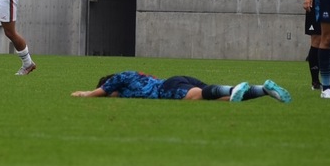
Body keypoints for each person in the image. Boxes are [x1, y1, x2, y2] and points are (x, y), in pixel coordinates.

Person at [71, 71, 292, 103]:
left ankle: (233, 88)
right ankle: (264, 89)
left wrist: (84, 94)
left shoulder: (119, 78)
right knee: (218, 97)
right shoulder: (136, 76)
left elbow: (100, 92)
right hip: (175, 79)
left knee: (196, 96)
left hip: (167, 88)